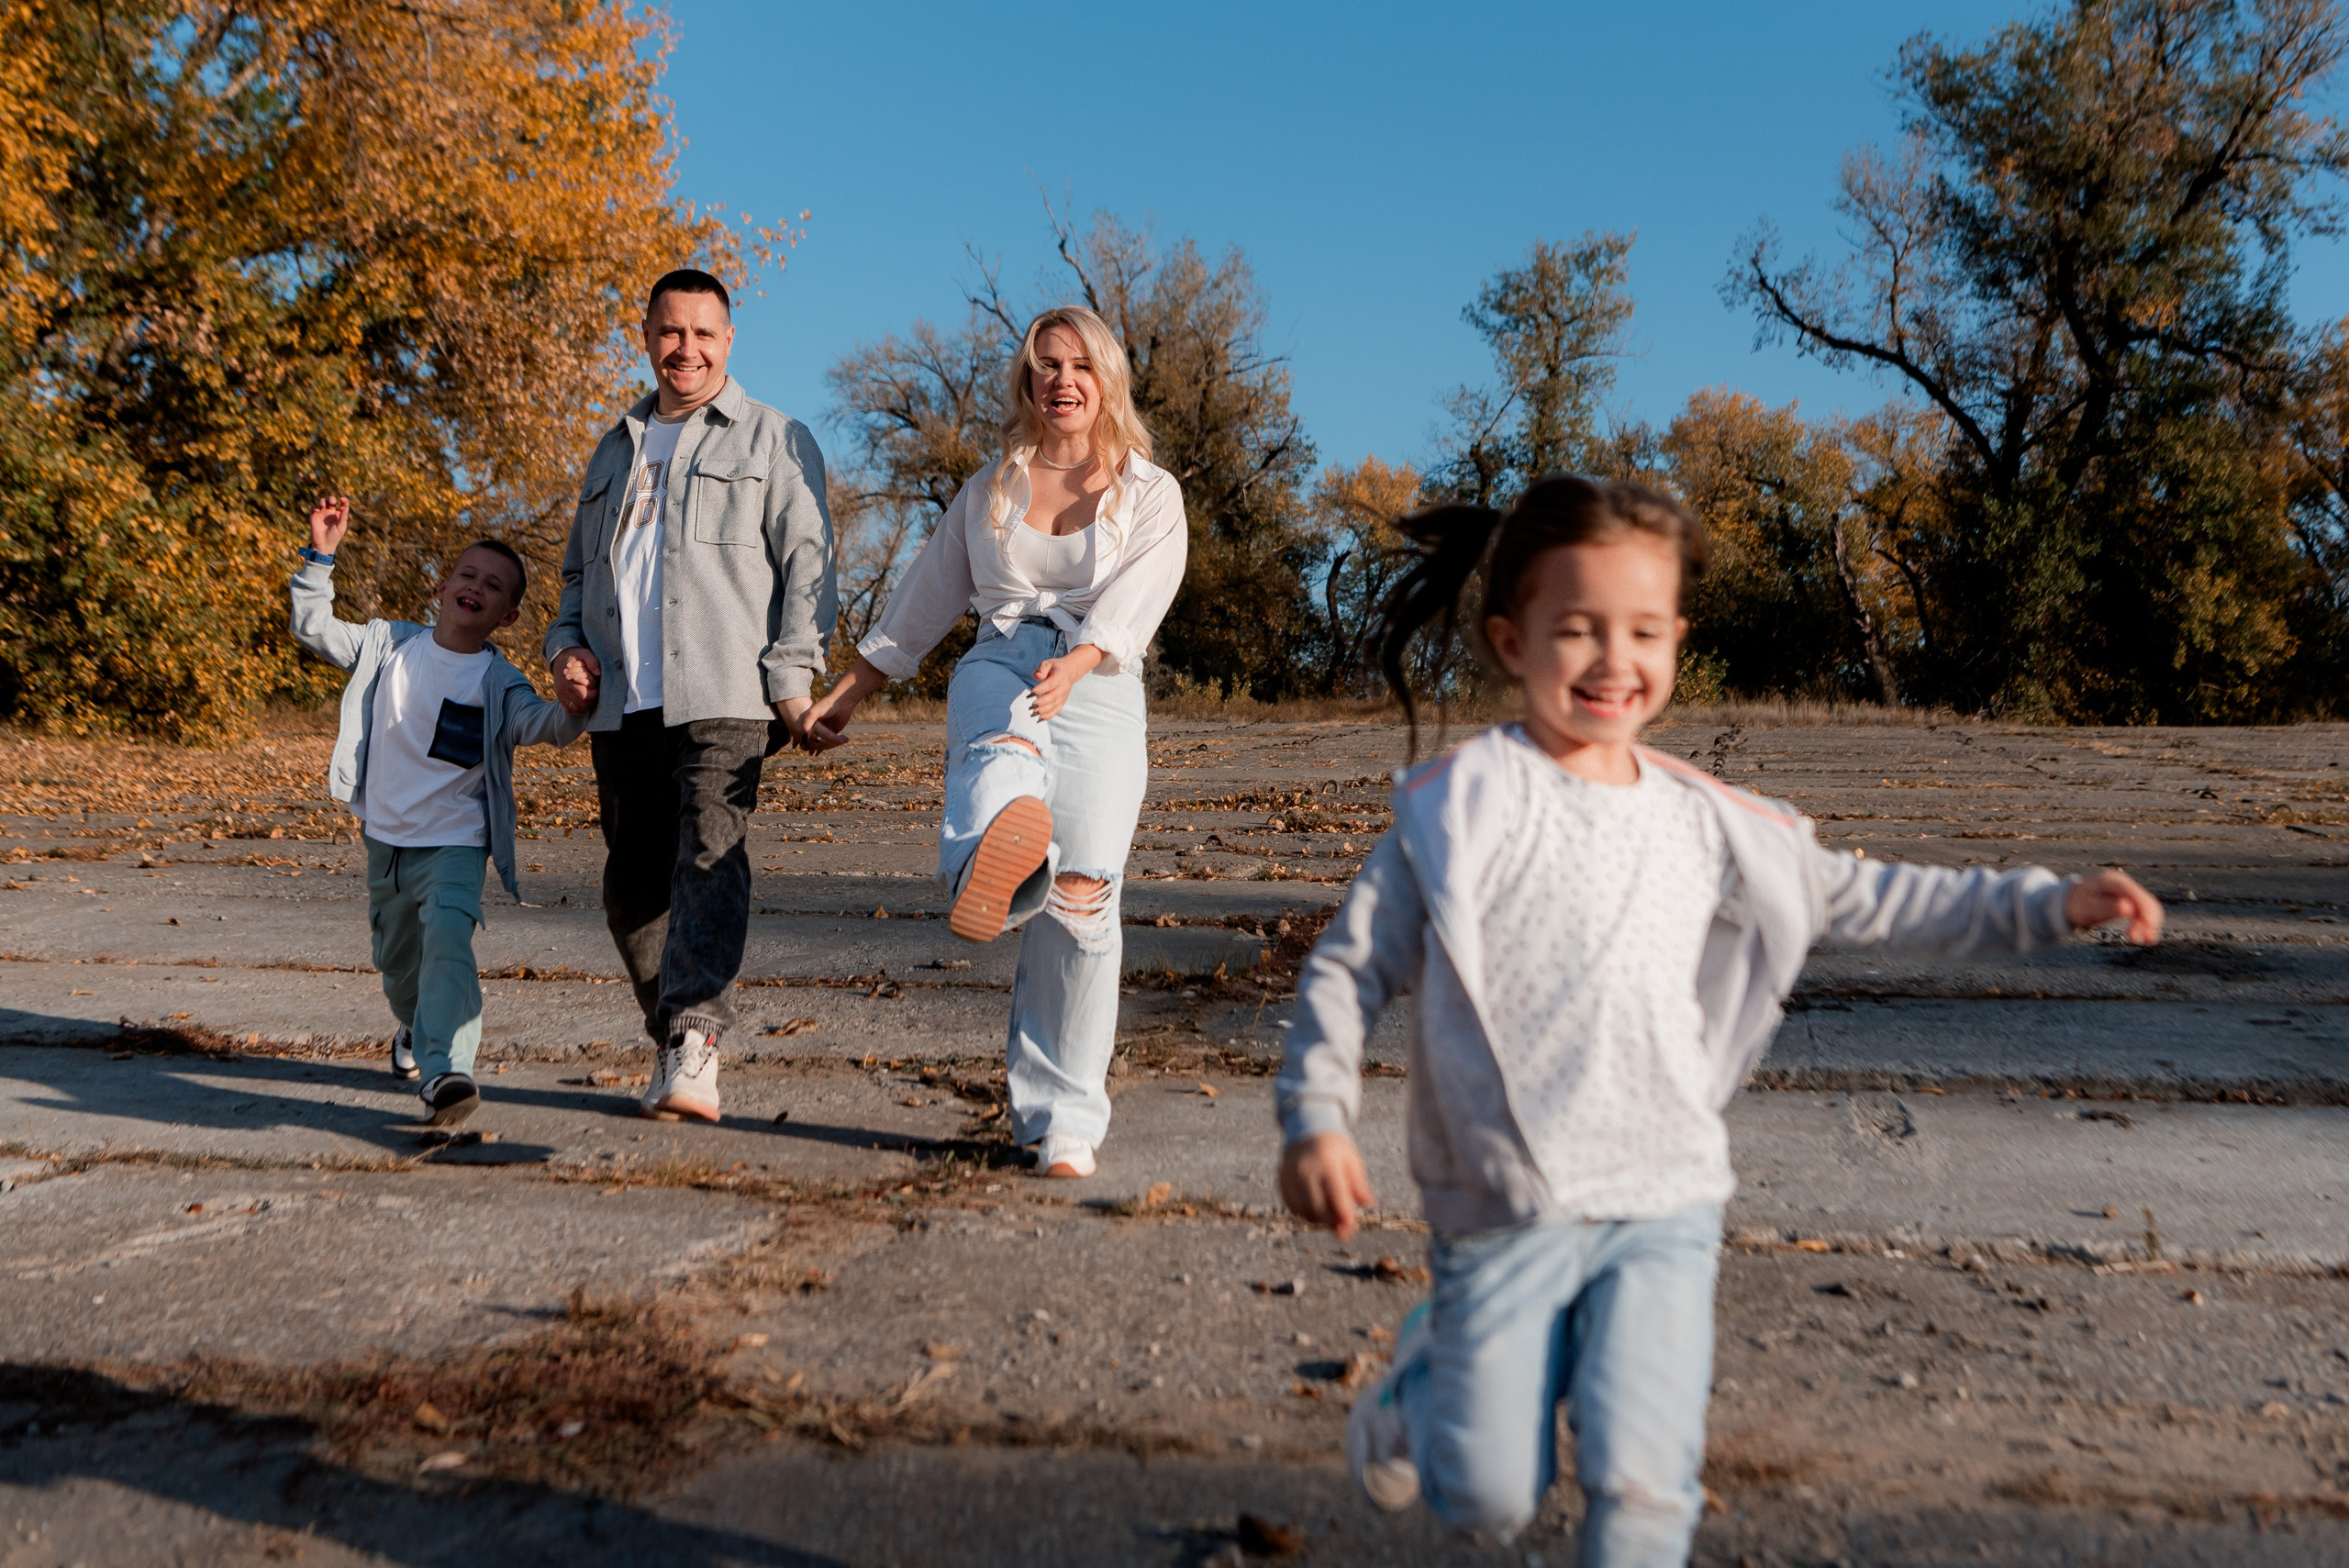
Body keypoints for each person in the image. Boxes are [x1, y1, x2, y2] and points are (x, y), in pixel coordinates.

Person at [1273, 476, 2165, 1564]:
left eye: (1643, 630)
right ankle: (1421, 1384)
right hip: (1508, 1206)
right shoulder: (1456, 811)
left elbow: (1875, 896)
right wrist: (1316, 1117)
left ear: (1676, 640)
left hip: (1666, 1195)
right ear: (1513, 640)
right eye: (1579, 629)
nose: (1614, 658)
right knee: (1488, 1498)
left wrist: (2046, 903)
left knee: (1647, 1485)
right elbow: (1346, 971)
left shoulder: (1712, 824)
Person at [798, 306, 1186, 1179]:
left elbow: (1147, 588)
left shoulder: (1150, 490)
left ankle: (1061, 1120)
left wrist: (1084, 657)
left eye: (1080, 364)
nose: (1062, 379)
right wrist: (851, 692)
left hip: (1103, 682)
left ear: (1107, 379)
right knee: (1000, 756)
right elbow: (927, 596)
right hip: (1002, 662)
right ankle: (987, 860)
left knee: (1085, 898)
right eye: (1045, 364)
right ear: (1027, 381)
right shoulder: (993, 487)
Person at [543, 268, 838, 1125]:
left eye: (705, 334)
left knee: (710, 852)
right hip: (623, 701)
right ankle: (674, 1033)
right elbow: (573, 582)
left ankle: (696, 1041)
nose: (688, 350)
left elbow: (810, 572)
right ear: (646, 336)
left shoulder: (775, 438)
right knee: (631, 890)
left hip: (727, 692)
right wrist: (566, 653)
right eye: (672, 333)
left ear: (730, 341)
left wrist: (792, 682)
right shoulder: (612, 449)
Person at [289, 496, 584, 1125]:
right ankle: (412, 1025)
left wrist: (576, 702)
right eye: (468, 576)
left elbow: (544, 724)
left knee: (449, 944)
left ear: (507, 616)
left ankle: (447, 1069)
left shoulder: (499, 683)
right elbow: (313, 628)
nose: (476, 587)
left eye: (495, 586)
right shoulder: (386, 645)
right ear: (443, 585)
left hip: (456, 841)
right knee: (400, 969)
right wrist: (321, 556)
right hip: (386, 841)